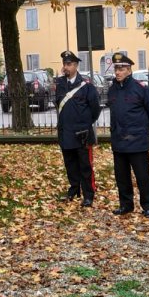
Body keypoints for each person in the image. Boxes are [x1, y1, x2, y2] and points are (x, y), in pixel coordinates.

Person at [107, 51, 149, 217]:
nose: (118, 72)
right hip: (119, 140)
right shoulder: (112, 90)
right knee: (121, 177)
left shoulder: (140, 89)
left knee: (142, 176)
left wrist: (143, 128)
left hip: (137, 140)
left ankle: (148, 205)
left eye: (121, 69)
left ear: (129, 70)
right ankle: (126, 205)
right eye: (116, 69)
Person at [54, 50, 101, 207]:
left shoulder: (86, 86)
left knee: (85, 166)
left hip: (82, 134)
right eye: (64, 64)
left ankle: (88, 194)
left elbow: (95, 109)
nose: (66, 67)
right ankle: (74, 189)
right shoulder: (60, 84)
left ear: (75, 66)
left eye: (69, 64)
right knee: (70, 164)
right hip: (66, 132)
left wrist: (84, 123)